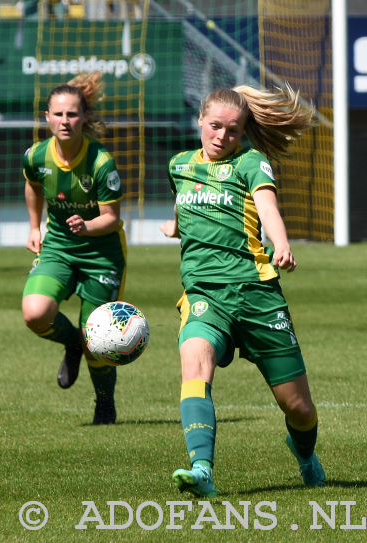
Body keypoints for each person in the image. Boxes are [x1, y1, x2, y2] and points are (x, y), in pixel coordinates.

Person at [160, 85, 324, 497]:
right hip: (204, 294)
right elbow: (185, 202)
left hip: (256, 295)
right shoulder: (179, 164)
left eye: (233, 131)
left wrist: (281, 243)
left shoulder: (251, 163)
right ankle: (201, 469)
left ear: (243, 133)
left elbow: (267, 207)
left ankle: (305, 454)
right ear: (200, 121)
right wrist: (174, 225)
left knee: (299, 409)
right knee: (194, 361)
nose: (221, 137)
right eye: (215, 126)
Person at [21, 72, 126, 425]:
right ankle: (72, 343)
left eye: (72, 114)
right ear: (47, 118)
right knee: (35, 313)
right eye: (59, 114)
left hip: (102, 252)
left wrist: (87, 225)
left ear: (84, 118)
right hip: (58, 248)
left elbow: (112, 218)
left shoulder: (100, 162)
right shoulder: (35, 155)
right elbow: (33, 186)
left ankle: (105, 405)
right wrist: (35, 226)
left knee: (99, 340)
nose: (65, 121)